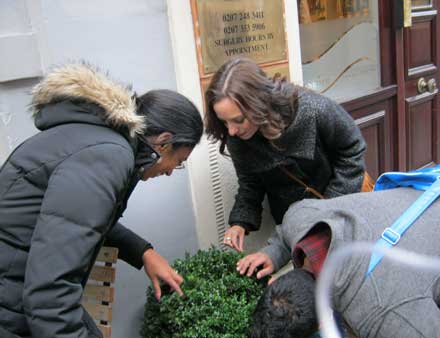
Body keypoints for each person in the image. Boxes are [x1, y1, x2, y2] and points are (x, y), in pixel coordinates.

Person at [0, 63, 203, 338]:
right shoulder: (108, 156)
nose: (169, 172)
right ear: (164, 142)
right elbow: (49, 298)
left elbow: (73, 220)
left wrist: (143, 252)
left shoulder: (101, 142)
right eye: (177, 162)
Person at [204, 57, 369, 252]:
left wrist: (330, 205)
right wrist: (240, 222)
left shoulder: (313, 109)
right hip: (295, 226)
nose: (231, 130)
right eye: (224, 122)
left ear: (259, 103)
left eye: (238, 120)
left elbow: (352, 148)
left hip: (341, 206)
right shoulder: (236, 137)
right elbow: (250, 181)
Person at [238, 187, 440, 338]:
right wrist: (273, 253)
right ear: (273, 282)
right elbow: (285, 231)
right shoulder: (299, 216)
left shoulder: (384, 316)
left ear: (321, 326)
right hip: (420, 200)